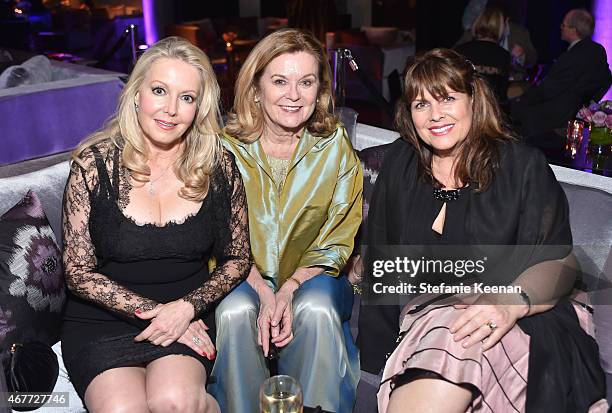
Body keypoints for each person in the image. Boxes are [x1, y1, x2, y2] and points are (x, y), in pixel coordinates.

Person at [362, 48, 608, 412]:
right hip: (435, 319)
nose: (434, 115)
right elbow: (382, 264)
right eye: (420, 104)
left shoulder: (521, 166)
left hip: (526, 312)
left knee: (461, 332)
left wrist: (508, 304)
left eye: (447, 98)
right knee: (453, 331)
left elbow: (561, 262)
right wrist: (376, 359)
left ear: (473, 99)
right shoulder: (400, 164)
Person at [61, 36, 251, 412]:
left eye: (187, 97)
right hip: (101, 320)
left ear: (200, 107)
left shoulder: (218, 165)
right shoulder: (93, 166)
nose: (170, 110)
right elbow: (77, 272)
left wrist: (183, 310)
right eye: (159, 90)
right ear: (136, 94)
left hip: (184, 312)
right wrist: (158, 312)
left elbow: (238, 258)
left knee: (174, 401)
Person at [208, 28, 362, 413]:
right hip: (241, 276)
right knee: (233, 310)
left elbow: (338, 236)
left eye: (306, 82)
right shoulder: (224, 147)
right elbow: (218, 236)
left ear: (319, 90)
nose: (294, 95)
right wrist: (263, 291)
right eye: (280, 81)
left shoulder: (334, 146)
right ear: (256, 88)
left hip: (316, 278)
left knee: (316, 309)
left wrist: (290, 287)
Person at [512, 9, 611, 137]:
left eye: (563, 25)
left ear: (573, 30)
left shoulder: (572, 56)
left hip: (554, 120)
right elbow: (606, 80)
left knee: (513, 114)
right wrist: (588, 104)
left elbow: (547, 90)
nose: (561, 27)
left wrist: (521, 100)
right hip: (573, 117)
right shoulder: (598, 51)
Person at [456, 4, 511, 101]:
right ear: (500, 27)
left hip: (467, 107)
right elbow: (502, 95)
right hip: (493, 110)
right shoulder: (504, 55)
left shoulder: (460, 50)